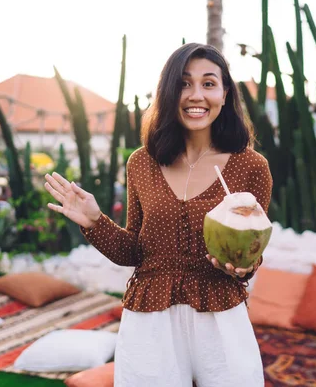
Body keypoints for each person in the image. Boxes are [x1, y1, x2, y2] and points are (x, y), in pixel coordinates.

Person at [44, 43, 272, 387]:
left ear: (225, 94)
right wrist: (94, 221)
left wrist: (243, 267)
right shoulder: (142, 163)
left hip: (220, 314)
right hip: (150, 318)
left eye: (209, 83)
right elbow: (135, 253)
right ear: (167, 92)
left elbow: (251, 249)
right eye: (183, 83)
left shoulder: (251, 166)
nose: (196, 95)